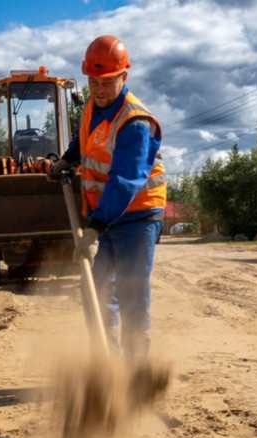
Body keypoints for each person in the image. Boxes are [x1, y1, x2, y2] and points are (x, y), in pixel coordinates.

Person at [53, 35, 166, 360]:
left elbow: (125, 181)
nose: (98, 89)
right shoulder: (92, 105)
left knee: (132, 294)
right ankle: (107, 365)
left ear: (123, 77)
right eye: (92, 82)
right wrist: (69, 157)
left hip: (138, 216)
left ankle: (136, 373)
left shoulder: (135, 123)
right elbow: (86, 137)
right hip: (105, 216)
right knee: (95, 293)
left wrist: (94, 228)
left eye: (106, 82)